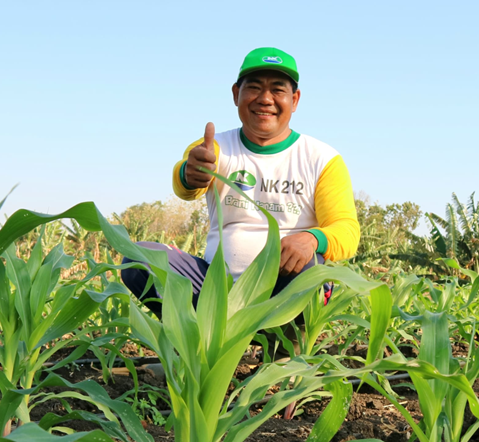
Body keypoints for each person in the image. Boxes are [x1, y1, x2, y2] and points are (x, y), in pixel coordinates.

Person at [121, 47, 360, 315]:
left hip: (280, 290)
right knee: (137, 257)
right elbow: (187, 185)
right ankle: (193, 343)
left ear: (295, 99)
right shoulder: (217, 147)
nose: (265, 99)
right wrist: (189, 174)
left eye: (278, 90)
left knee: (310, 267)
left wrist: (312, 239)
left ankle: (282, 351)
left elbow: (347, 230)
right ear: (236, 94)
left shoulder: (322, 159)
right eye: (255, 88)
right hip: (213, 288)